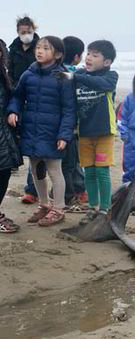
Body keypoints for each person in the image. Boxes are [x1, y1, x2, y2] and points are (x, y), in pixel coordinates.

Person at [7, 36, 76, 226]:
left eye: (46, 48)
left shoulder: (63, 77)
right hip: (32, 129)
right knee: (36, 169)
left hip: (53, 132)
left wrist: (64, 134)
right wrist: (13, 111)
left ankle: (59, 208)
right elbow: (18, 97)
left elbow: (69, 110)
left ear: (58, 54)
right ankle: (44, 204)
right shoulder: (28, 74)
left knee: (54, 170)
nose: (39, 51)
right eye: (38, 47)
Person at [57, 40, 118, 225]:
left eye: (95, 55)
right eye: (88, 54)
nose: (89, 58)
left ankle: (105, 209)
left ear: (106, 62)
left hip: (104, 133)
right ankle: (92, 207)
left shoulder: (111, 76)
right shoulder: (80, 74)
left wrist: (74, 76)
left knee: (102, 171)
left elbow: (100, 84)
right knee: (89, 172)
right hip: (84, 133)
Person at [8, 15, 40, 204]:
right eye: (22, 32)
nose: (26, 35)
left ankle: (32, 189)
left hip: (35, 97)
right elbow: (8, 71)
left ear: (33, 30)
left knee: (36, 149)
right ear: (18, 32)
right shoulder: (12, 49)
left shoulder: (41, 48)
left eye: (29, 31)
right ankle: (13, 166)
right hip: (16, 96)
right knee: (16, 138)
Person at [61, 36, 88, 209]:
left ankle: (75, 190)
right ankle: (72, 194)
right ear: (77, 57)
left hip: (62, 125)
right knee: (72, 163)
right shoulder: (80, 74)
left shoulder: (57, 72)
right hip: (75, 127)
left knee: (67, 163)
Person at [0, 38, 23, 233]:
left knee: (5, 171)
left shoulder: (3, 74)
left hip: (4, 132)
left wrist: (13, 111)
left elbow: (13, 95)